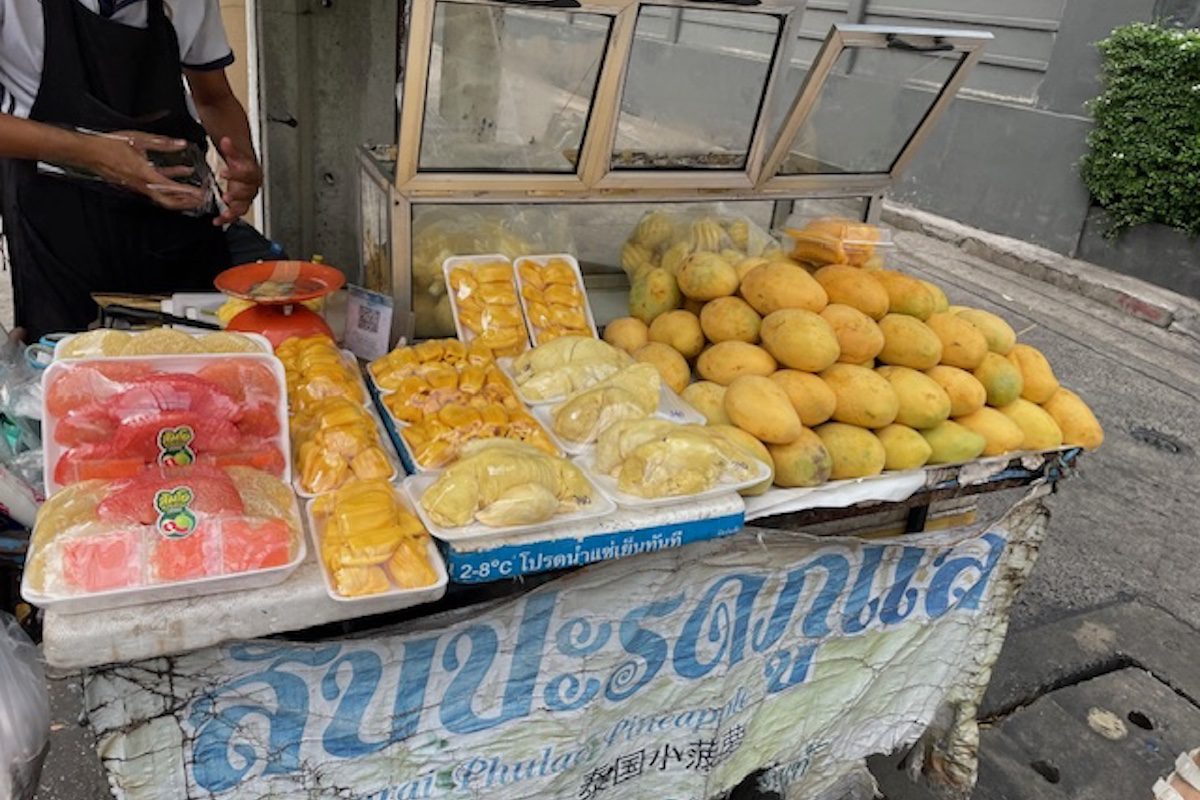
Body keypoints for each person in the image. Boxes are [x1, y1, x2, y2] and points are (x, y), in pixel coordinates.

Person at [0, 0, 262, 342]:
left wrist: (243, 162)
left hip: (171, 222)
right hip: (56, 222)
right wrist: (92, 153)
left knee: (195, 360)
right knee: (73, 365)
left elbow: (214, 98)